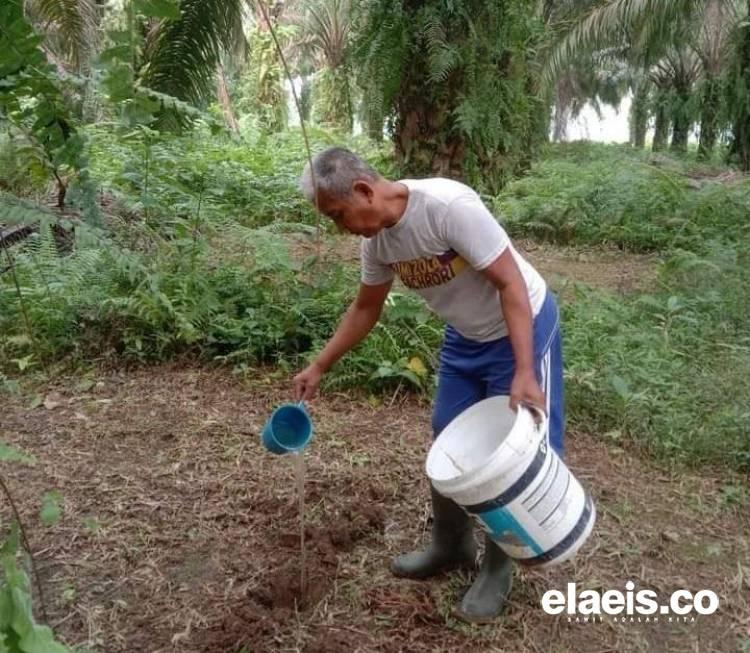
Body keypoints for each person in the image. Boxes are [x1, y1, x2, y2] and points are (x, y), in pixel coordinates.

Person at [292, 146, 565, 623]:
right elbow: (365, 309)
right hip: (466, 334)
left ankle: (499, 567)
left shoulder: (446, 208)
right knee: (448, 436)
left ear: (362, 190)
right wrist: (320, 365)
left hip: (520, 324)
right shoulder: (377, 244)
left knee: (510, 449)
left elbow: (510, 284)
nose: (343, 227)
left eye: (339, 215)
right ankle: (451, 543)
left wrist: (524, 370)